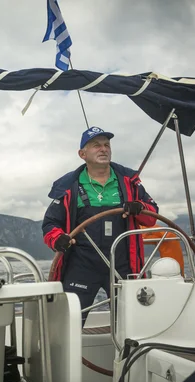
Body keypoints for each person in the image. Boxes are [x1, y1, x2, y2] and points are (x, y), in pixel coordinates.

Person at [42, 126, 159, 325]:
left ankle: (128, 355)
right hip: (82, 264)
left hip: (123, 264)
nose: (103, 149)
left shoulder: (130, 182)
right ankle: (68, 357)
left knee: (133, 323)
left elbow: (152, 216)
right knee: (68, 322)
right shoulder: (68, 186)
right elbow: (50, 224)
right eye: (96, 145)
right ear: (82, 154)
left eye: (106, 145)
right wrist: (58, 239)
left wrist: (139, 207)